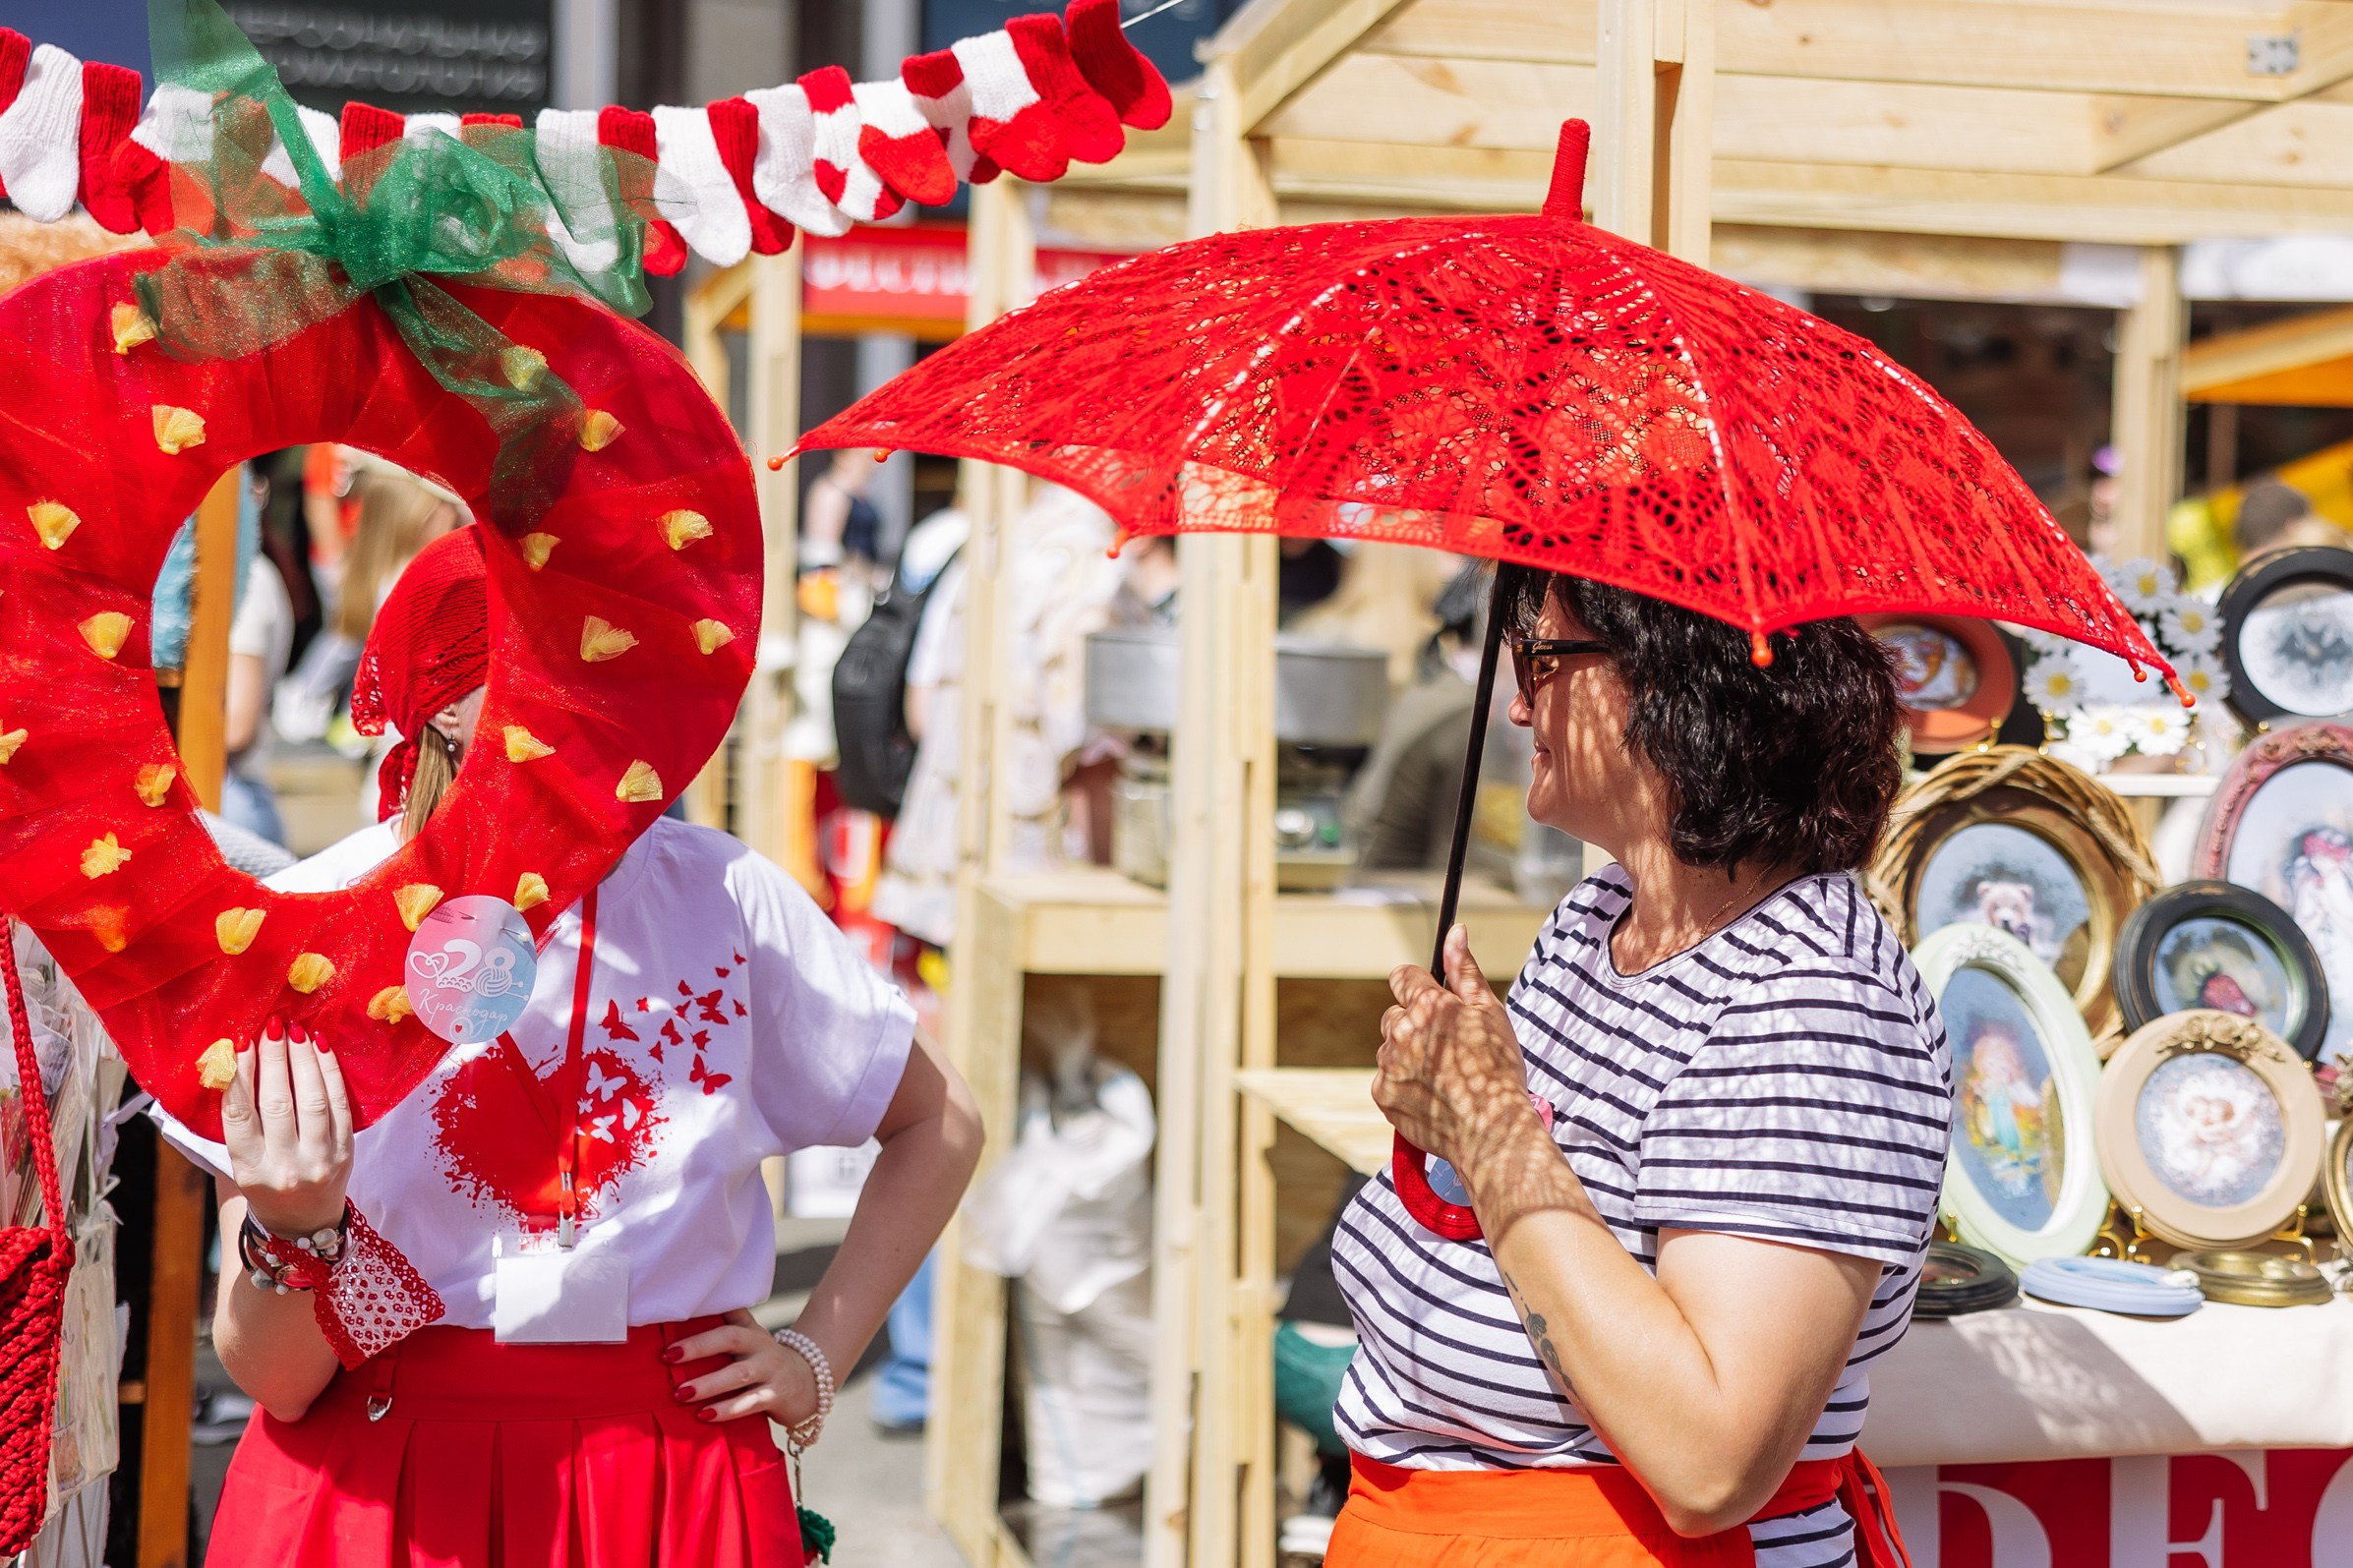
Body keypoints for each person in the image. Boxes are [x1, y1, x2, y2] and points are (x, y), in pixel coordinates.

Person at [158, 527, 983, 1566]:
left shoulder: (718, 894)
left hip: (664, 1467)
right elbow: (276, 1377)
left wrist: (817, 1353)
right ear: (437, 708)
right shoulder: (308, 924)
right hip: (380, 1476)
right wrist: (297, 1224)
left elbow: (937, 1119)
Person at [1335, 568, 1950, 1568]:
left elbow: (1710, 1454)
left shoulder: (1814, 1002)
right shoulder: (1599, 919)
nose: (1518, 698)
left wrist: (1487, 1124)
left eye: (1541, 654)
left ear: (1673, 683)